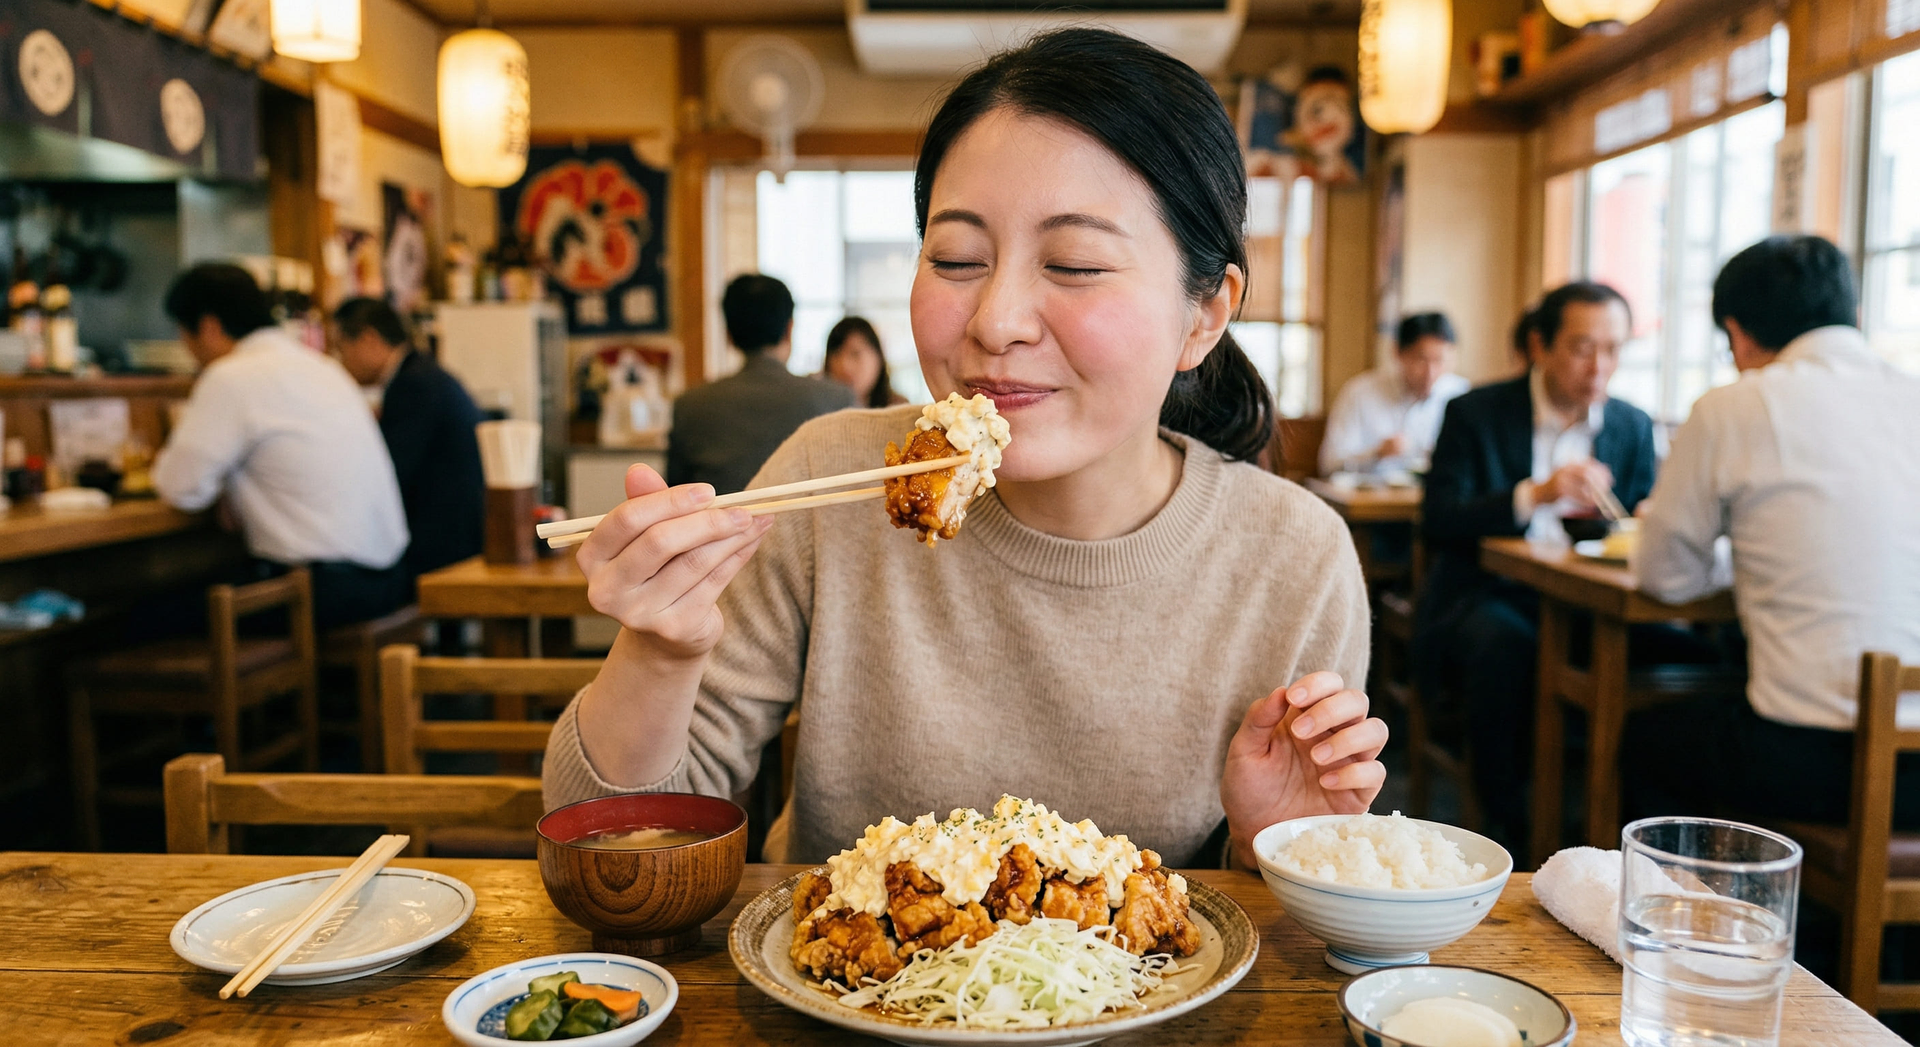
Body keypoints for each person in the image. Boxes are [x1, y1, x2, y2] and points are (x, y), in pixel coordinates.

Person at [543, 27, 1388, 869]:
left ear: (1205, 313)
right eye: (956, 258)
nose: (995, 321)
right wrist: (657, 652)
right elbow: (619, 855)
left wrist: (1268, 846)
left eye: (1076, 263)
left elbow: (1265, 952)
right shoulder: (830, 479)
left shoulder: (1293, 556)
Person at [1625, 236, 1920, 826]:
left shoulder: (1735, 406)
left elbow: (1666, 576)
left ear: (1738, 334)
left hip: (1819, 762)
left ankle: (1699, 915)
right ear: (1853, 314)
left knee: (1646, 740)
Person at [1416, 280, 1661, 845]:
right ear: (1539, 344)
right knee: (1506, 646)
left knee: (1677, 650)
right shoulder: (1476, 412)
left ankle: (1622, 826)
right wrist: (1537, 493)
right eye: (1581, 347)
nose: (1599, 366)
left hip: (1589, 599)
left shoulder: (1631, 425)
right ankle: (1510, 824)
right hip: (1487, 591)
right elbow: (1439, 518)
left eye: (1615, 349)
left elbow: (1636, 523)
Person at [153, 263, 409, 630]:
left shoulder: (231, 376)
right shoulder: (321, 366)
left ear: (208, 327)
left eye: (184, 335)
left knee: (134, 622)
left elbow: (181, 489)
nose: (187, 349)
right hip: (386, 577)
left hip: (326, 590)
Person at [332, 297, 485, 581]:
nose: (341, 364)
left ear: (369, 339)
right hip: (460, 532)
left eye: (342, 350)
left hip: (441, 545)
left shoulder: (412, 385)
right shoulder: (421, 373)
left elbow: (389, 473)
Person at [666, 275, 855, 495]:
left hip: (723, 528)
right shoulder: (836, 399)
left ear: (728, 334)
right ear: (789, 328)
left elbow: (675, 494)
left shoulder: (690, 406)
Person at [1319, 311, 1469, 476]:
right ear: (1397, 352)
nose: (1430, 373)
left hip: (1439, 498)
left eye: (1440, 361)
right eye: (1421, 360)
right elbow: (1329, 464)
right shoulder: (1360, 393)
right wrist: (1377, 453)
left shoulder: (1461, 395)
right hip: (1371, 499)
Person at [822, 316, 906, 408]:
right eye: (836, 355)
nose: (844, 365)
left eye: (855, 354)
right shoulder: (818, 407)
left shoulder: (899, 409)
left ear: (878, 357)